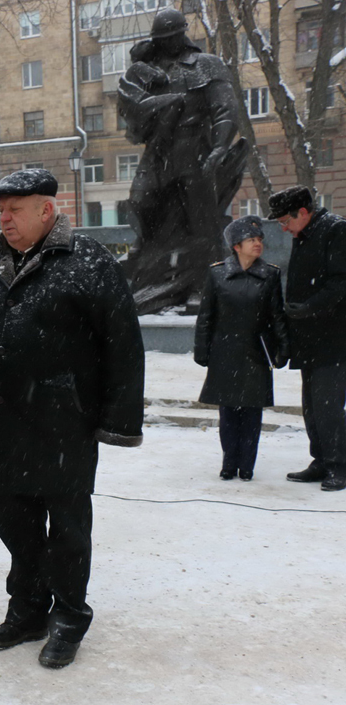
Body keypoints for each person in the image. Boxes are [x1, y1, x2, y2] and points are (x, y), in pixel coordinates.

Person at [0, 169, 145, 669]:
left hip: (63, 423)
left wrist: (119, 421)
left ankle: (68, 616)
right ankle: (27, 609)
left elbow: (123, 343)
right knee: (15, 525)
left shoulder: (86, 260)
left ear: (47, 210)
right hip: (6, 424)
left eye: (15, 209)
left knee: (67, 531)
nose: (5, 218)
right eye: (1, 210)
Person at [116, 7, 247, 311]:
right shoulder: (148, 68)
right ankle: (148, 264)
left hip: (194, 148)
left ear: (182, 34)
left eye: (172, 36)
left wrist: (219, 148)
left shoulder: (206, 65)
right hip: (158, 150)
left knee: (202, 222)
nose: (168, 43)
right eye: (161, 38)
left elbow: (225, 110)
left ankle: (203, 286)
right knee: (140, 201)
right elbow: (131, 109)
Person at [193, 215, 288, 481]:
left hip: (256, 352)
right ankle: (228, 462)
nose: (258, 244)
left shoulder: (270, 274)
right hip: (224, 352)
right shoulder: (217, 273)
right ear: (236, 246)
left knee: (252, 412)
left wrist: (283, 348)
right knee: (228, 412)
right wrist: (202, 349)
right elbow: (206, 316)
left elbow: (277, 315)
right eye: (251, 240)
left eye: (259, 240)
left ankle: (247, 465)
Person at [268, 186, 346, 492]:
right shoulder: (304, 234)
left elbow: (342, 282)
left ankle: (339, 465)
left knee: (328, 406)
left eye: (285, 221)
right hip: (310, 338)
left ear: (303, 212)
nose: (284, 229)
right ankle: (321, 460)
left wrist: (310, 307)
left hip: (334, 338)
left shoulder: (336, 230)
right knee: (312, 406)